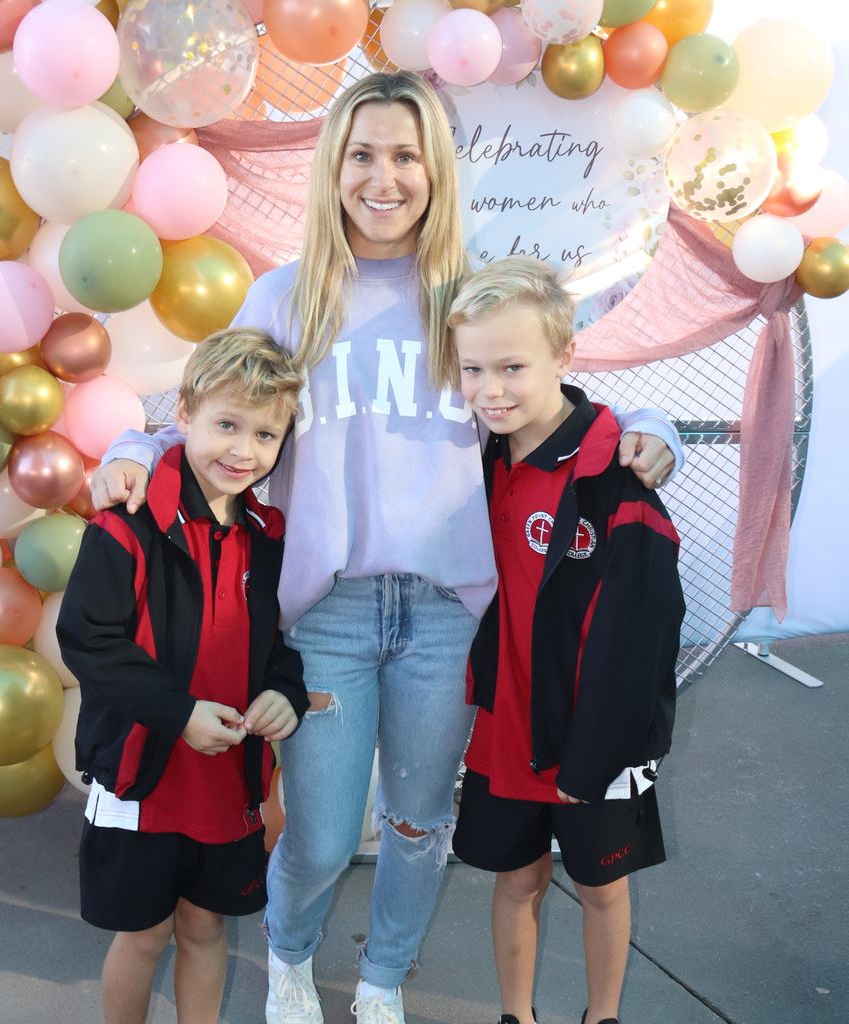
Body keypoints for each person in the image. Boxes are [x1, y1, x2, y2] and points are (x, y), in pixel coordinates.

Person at [89, 72, 682, 1024]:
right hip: (324, 612)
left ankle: (382, 979)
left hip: (446, 615)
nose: (384, 176)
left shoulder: (464, 293)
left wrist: (654, 427)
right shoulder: (286, 298)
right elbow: (212, 415)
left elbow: (555, 386)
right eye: (362, 154)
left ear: (435, 169)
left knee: (417, 824)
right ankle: (289, 960)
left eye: (406, 155)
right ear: (333, 167)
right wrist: (130, 444)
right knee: (322, 836)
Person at [448, 257, 684, 1024]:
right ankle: (516, 1015)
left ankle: (601, 1015)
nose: (491, 389)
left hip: (592, 741)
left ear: (564, 356)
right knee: (517, 880)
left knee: (601, 886)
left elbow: (643, 641)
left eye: (513, 367)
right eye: (474, 368)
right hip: (506, 732)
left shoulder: (616, 478)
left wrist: (597, 755)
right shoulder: (475, 458)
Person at [57, 327, 309, 1024]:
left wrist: (283, 693)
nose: (243, 450)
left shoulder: (268, 535)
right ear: (185, 414)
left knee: (205, 926)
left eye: (265, 434)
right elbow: (88, 640)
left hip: (227, 778)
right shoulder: (128, 524)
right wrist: (178, 712)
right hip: (143, 774)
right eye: (227, 424)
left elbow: (280, 645)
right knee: (144, 935)